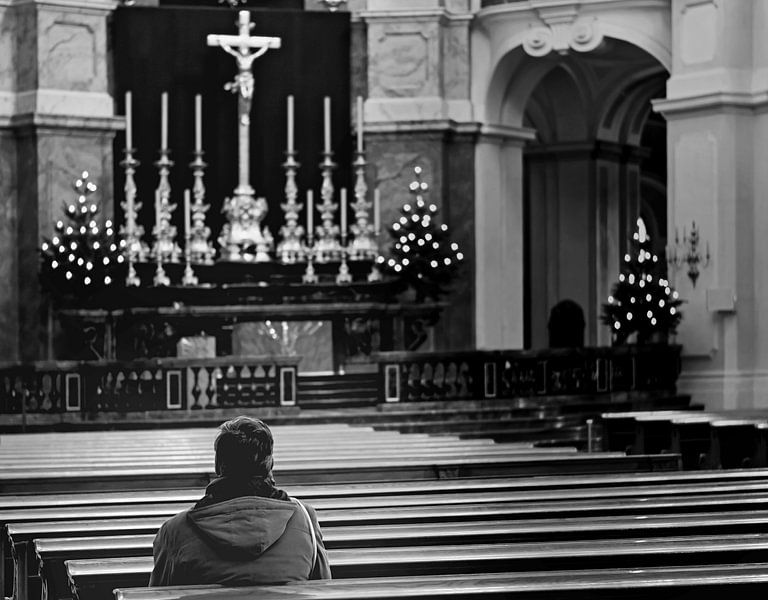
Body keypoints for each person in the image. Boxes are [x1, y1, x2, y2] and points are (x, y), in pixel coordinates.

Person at [149, 416, 332, 586]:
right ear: (270, 466)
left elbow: (162, 593)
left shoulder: (175, 531)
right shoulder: (305, 520)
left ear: (218, 466)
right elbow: (323, 589)